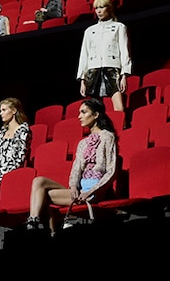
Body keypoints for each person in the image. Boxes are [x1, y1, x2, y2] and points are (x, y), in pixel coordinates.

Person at [24, 99, 118, 231]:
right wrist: (73, 186)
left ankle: (48, 231)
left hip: (95, 190)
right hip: (80, 189)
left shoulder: (108, 137)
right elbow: (76, 169)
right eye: (79, 113)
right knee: (38, 181)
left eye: (83, 112)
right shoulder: (82, 143)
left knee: (42, 196)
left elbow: (111, 171)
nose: (79, 116)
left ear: (96, 114)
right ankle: (33, 222)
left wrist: (92, 190)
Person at [75, 0, 131, 115]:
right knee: (95, 110)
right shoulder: (90, 31)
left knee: (119, 108)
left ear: (109, 8)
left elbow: (124, 51)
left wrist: (124, 74)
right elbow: (84, 55)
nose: (99, 11)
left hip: (112, 68)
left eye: (102, 7)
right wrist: (83, 79)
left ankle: (122, 125)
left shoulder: (119, 27)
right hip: (93, 70)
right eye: (96, 8)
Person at [0, 98, 32, 179]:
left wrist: (3, 177)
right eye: (0, 110)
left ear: (14, 111)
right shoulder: (1, 133)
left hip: (13, 174)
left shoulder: (23, 131)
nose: (0, 113)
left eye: (4, 110)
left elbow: (19, 160)